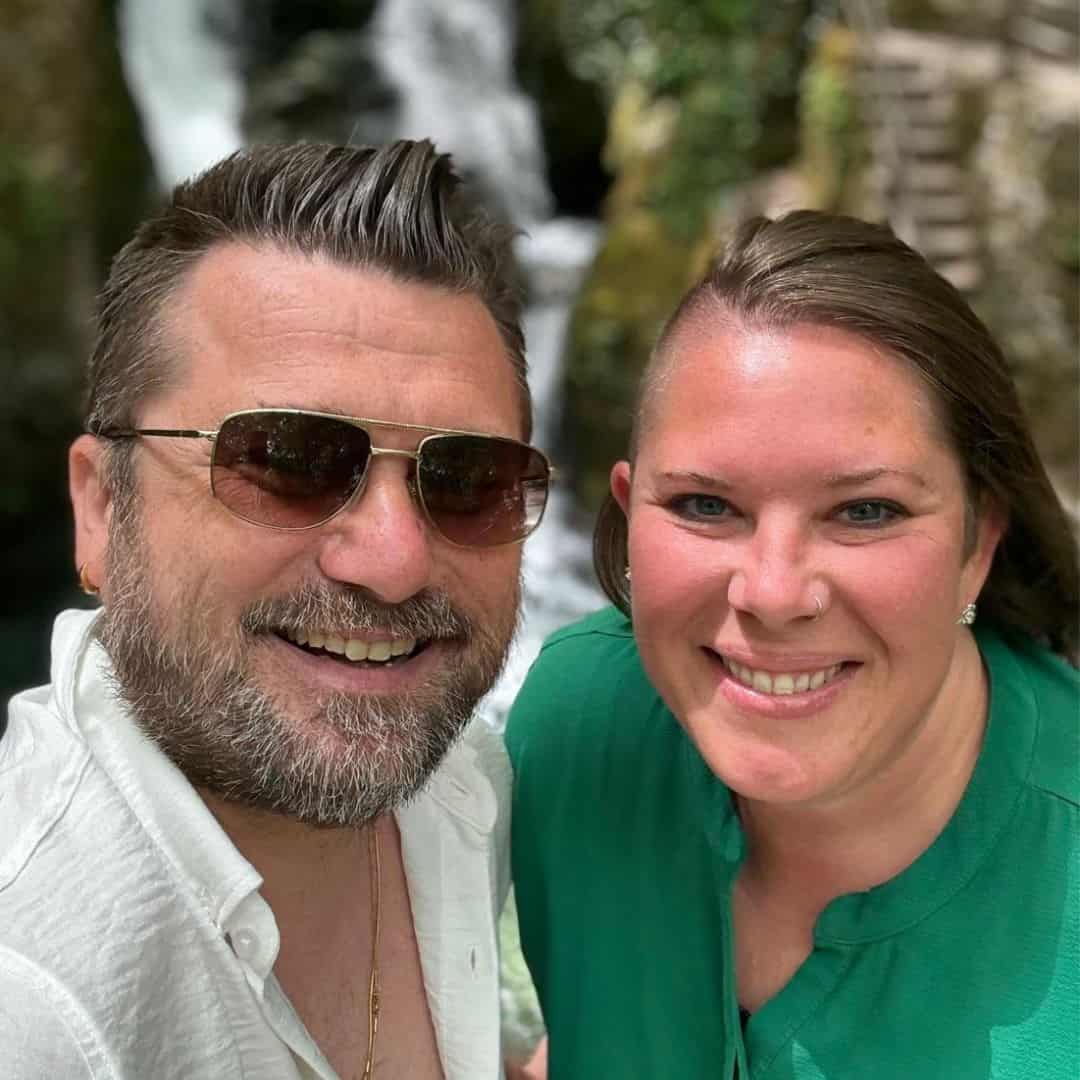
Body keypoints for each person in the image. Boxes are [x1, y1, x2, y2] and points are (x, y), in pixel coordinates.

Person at [0, 139, 554, 1079]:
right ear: (99, 509)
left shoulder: (465, 784)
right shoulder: (36, 1005)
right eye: (286, 460)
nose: (392, 559)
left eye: (467, 480)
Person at [507, 211, 1079, 1078]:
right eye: (705, 505)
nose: (772, 594)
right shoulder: (579, 727)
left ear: (979, 542)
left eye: (865, 511)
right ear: (626, 514)